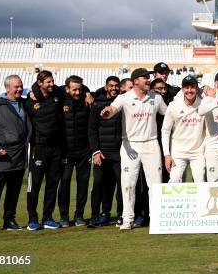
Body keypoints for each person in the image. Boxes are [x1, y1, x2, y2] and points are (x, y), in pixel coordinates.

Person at [100, 68, 167, 230]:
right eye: (145, 77)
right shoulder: (124, 98)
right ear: (136, 81)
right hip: (130, 144)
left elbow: (168, 114)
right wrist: (107, 112)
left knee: (155, 184)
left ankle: (156, 218)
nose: (149, 80)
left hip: (151, 144)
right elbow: (112, 109)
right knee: (128, 183)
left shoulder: (156, 98)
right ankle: (127, 219)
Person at [0, 75, 32, 232]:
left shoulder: (24, 103)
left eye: (20, 86)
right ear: (7, 88)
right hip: (2, 154)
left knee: (14, 190)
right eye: (16, 87)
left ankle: (9, 220)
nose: (19, 89)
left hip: (19, 153)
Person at [25, 70, 66, 230]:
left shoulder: (57, 94)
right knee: (34, 184)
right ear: (40, 83)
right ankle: (32, 219)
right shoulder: (29, 101)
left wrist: (89, 93)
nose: (51, 84)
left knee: (52, 184)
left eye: (52, 81)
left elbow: (71, 87)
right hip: (39, 148)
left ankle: (47, 217)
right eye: (48, 82)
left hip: (56, 148)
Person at [88, 76, 123, 228]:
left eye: (116, 86)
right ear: (106, 87)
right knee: (99, 185)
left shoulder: (123, 102)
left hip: (120, 152)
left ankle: (122, 214)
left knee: (122, 186)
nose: (114, 88)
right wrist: (95, 151)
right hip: (102, 153)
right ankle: (98, 215)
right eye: (111, 86)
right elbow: (92, 130)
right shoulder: (97, 104)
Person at [58, 76, 91, 228]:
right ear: (67, 89)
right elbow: (42, 89)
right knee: (64, 183)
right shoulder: (60, 97)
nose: (77, 92)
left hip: (84, 150)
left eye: (80, 89)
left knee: (83, 184)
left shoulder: (86, 97)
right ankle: (64, 216)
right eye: (74, 89)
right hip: (66, 150)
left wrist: (88, 92)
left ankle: (79, 215)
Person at [162, 75, 206, 183]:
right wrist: (167, 154)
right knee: (174, 181)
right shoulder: (173, 105)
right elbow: (165, 131)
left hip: (198, 151)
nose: (189, 91)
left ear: (197, 88)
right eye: (186, 88)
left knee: (200, 181)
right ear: (182, 89)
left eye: (192, 87)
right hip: (178, 151)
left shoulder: (204, 104)